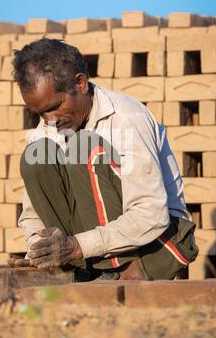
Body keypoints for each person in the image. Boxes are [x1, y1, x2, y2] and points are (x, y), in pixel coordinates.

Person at [11, 38, 198, 280]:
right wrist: (40, 251)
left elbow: (151, 215)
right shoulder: (48, 127)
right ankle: (72, 272)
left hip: (158, 243)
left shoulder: (126, 118)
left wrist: (76, 246)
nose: (50, 120)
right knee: (35, 158)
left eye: (55, 106)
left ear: (80, 84)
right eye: (40, 113)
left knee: (82, 145)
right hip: (92, 244)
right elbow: (32, 212)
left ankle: (120, 269)